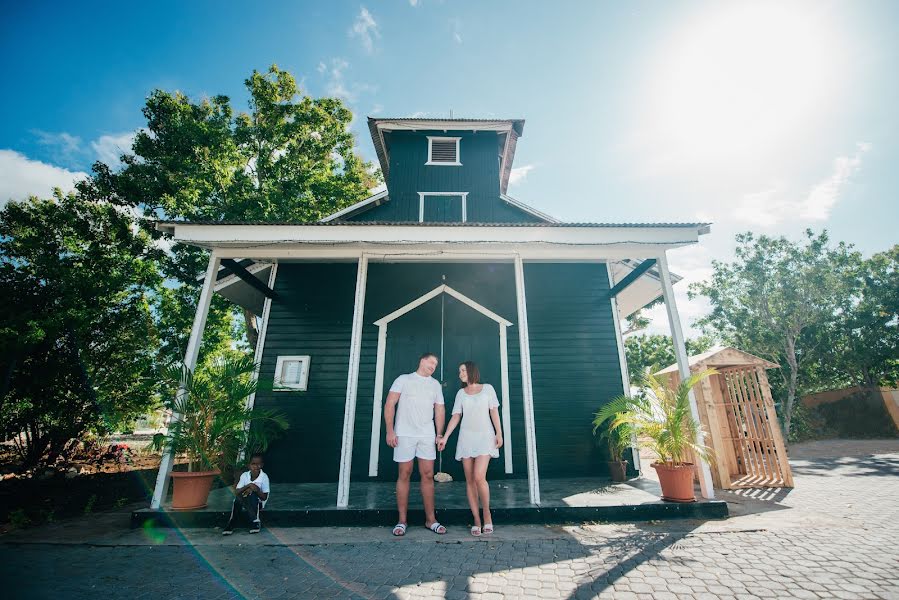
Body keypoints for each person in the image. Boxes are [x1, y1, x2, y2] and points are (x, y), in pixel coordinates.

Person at [384, 352, 446, 536]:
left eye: (436, 364)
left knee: (427, 475)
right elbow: (390, 404)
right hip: (404, 434)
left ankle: (431, 520)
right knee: (404, 473)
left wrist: (439, 433)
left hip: (426, 435)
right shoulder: (403, 379)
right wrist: (390, 430)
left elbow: (440, 409)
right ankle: (402, 521)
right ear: (422, 360)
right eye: (431, 361)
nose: (433, 366)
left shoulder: (435, 385)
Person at [438, 361, 503, 536]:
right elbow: (456, 416)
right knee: (470, 481)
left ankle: (487, 514)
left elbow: (494, 412)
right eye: (459, 371)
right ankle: (476, 519)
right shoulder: (461, 393)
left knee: (479, 476)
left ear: (472, 370)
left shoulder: (488, 388)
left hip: (485, 437)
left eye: (463, 370)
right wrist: (445, 436)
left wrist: (499, 433)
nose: (460, 373)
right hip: (466, 438)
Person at [222, 453, 270, 535]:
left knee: (252, 495)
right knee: (239, 498)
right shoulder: (244, 476)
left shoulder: (264, 477)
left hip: (258, 503)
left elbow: (264, 497)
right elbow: (236, 492)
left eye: (258, 464)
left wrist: (256, 489)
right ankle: (232, 522)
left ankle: (255, 521)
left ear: (262, 465)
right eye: (253, 464)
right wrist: (249, 486)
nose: (256, 467)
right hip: (243, 500)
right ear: (249, 466)